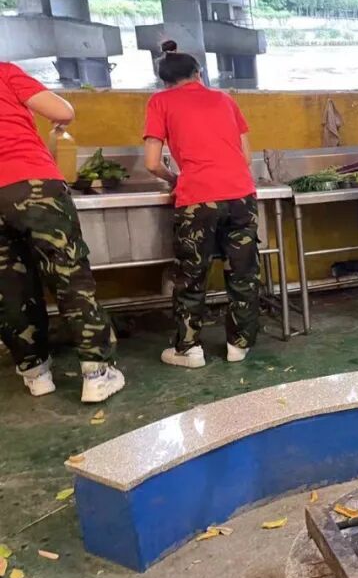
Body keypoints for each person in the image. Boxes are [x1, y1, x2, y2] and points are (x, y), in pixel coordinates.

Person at [0, 61, 124, 402]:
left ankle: (35, 373)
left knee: (9, 287)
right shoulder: (4, 72)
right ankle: (97, 373)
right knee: (69, 276)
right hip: (32, 183)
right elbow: (62, 111)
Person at [144, 41, 260, 368]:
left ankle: (189, 349)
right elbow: (246, 157)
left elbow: (151, 163)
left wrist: (175, 178)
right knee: (242, 273)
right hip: (241, 195)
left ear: (164, 80)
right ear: (198, 73)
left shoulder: (160, 101)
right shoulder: (224, 99)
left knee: (191, 275)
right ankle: (239, 345)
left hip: (197, 197)